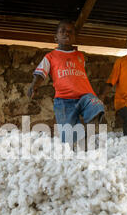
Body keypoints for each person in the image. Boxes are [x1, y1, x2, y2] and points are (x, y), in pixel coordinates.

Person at [27, 19, 105, 147]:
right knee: (68, 134)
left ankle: (95, 121)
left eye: (70, 32)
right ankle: (79, 140)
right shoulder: (50, 56)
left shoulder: (80, 56)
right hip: (64, 99)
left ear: (75, 37)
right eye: (62, 31)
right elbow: (40, 73)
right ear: (56, 37)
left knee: (95, 104)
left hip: (84, 95)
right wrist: (34, 86)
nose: (66, 34)